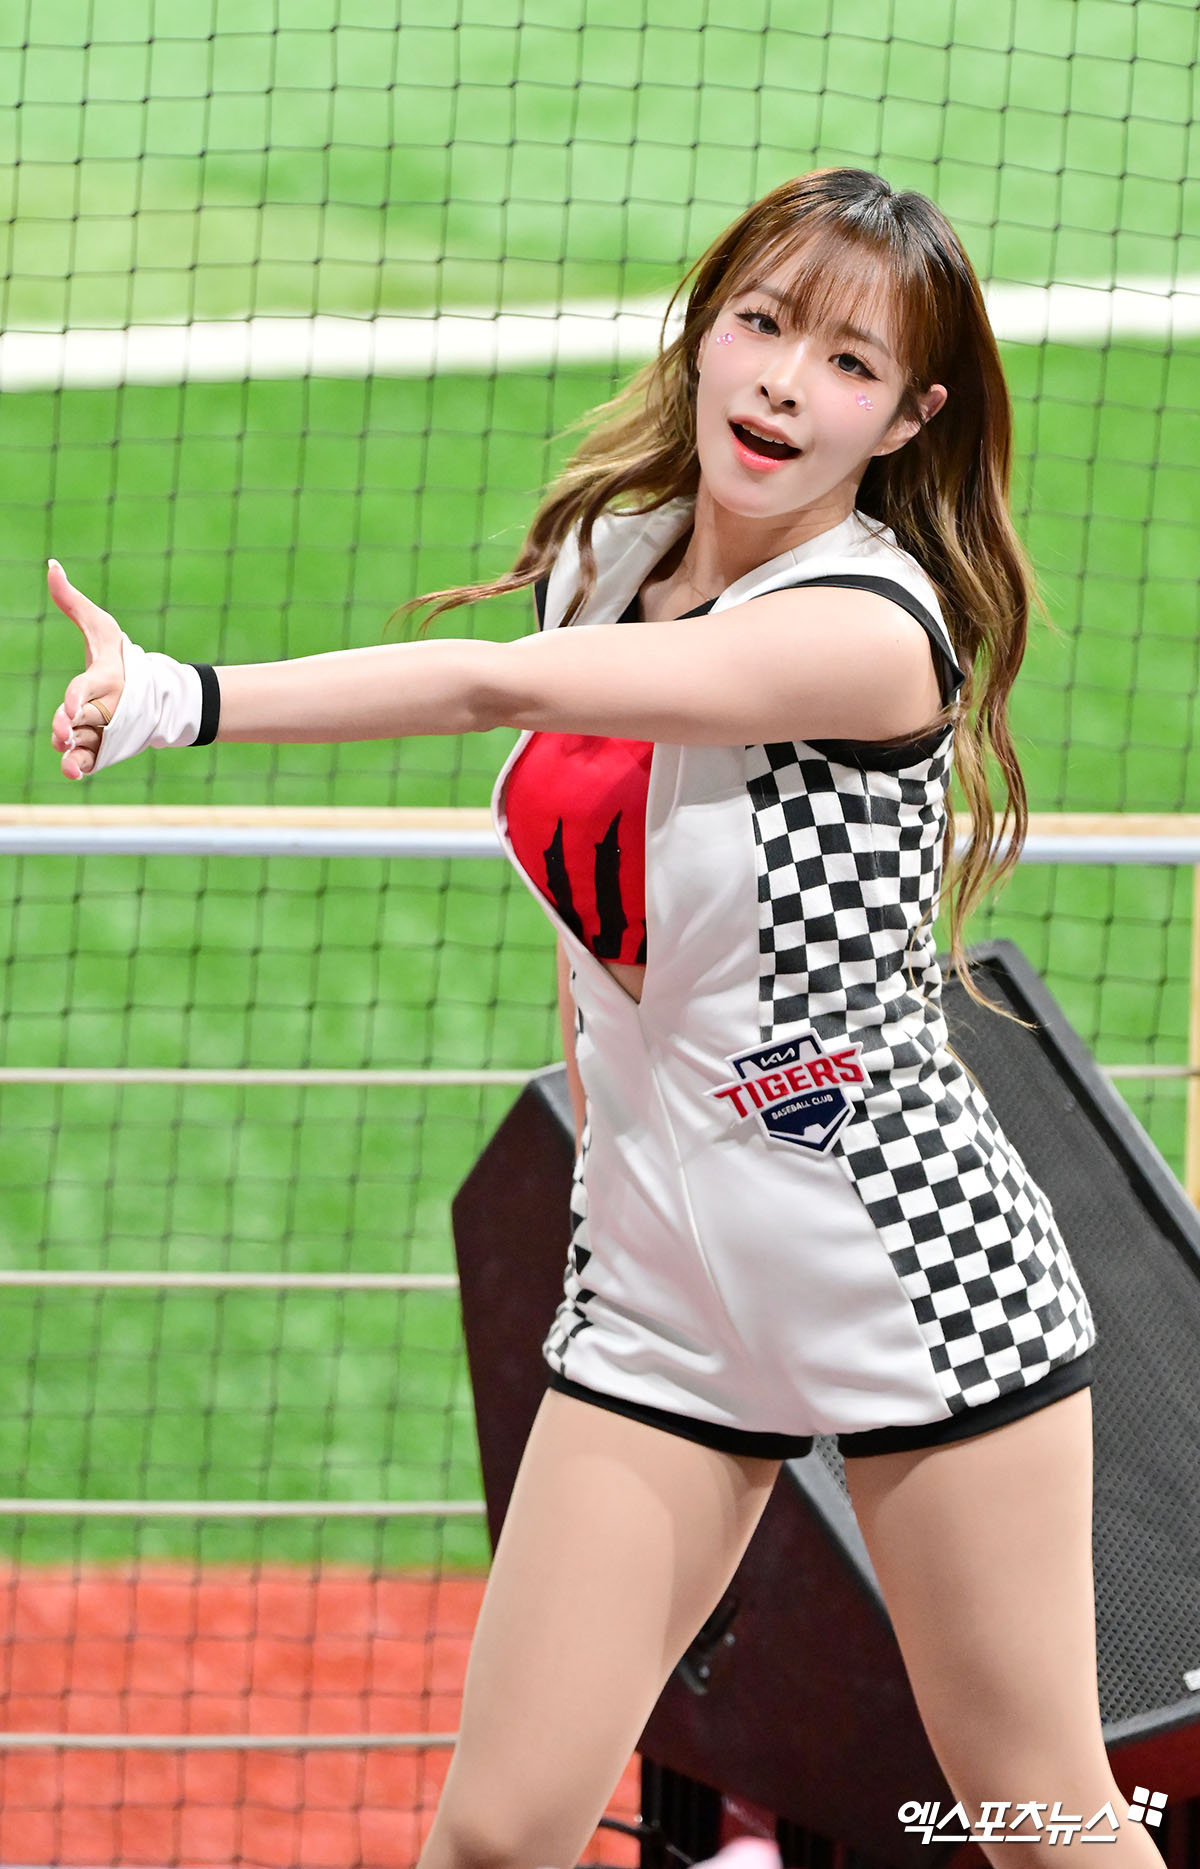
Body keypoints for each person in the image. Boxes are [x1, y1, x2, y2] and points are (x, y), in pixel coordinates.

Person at [49, 169, 1157, 1869]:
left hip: (906, 1278)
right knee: (496, 1834)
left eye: (849, 362)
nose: (784, 383)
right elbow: (600, 952)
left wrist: (182, 700)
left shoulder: (869, 631)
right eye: (763, 323)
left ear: (908, 418)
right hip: (660, 1299)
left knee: (1042, 1818)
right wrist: (618, 1191)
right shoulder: (605, 558)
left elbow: (495, 688)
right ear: (708, 330)